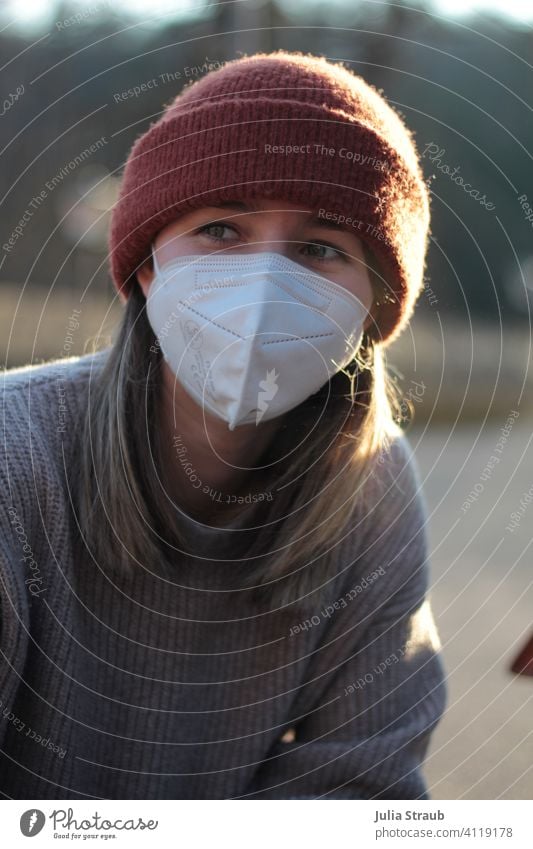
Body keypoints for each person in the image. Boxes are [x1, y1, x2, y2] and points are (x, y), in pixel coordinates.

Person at [0, 50, 447, 800]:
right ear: (147, 266)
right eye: (220, 230)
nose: (264, 282)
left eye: (318, 247)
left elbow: (360, 787)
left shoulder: (369, 486)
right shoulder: (16, 458)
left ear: (371, 307)